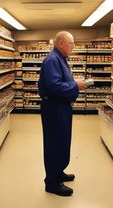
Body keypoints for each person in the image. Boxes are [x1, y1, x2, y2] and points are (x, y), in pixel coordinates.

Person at [38, 31, 86, 196]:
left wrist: (73, 84)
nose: (73, 46)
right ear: (60, 43)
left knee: (62, 141)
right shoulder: (53, 60)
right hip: (54, 108)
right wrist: (76, 86)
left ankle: (58, 172)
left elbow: (61, 82)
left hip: (61, 107)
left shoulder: (60, 59)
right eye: (71, 43)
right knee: (54, 144)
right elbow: (54, 87)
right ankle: (51, 182)